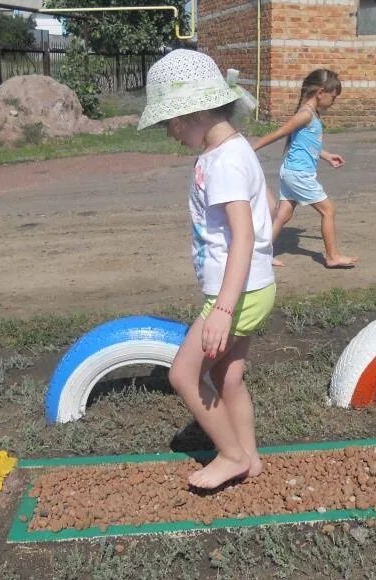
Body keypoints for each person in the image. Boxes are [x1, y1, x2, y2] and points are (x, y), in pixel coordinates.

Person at [138, 50, 276, 489]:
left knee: (183, 373)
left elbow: (243, 236)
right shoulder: (234, 152)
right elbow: (267, 209)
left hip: (236, 295)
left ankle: (231, 454)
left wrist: (222, 310)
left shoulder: (224, 162)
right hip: (250, 288)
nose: (170, 134)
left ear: (188, 114)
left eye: (169, 125)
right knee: (227, 376)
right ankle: (249, 457)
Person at [253, 69, 357, 268]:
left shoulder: (310, 114)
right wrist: (251, 149)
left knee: (283, 215)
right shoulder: (305, 115)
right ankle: (332, 256)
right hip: (299, 174)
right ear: (320, 93)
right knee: (328, 210)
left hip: (291, 171)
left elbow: (305, 144)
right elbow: (281, 132)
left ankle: (260, 255)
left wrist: (325, 155)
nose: (333, 102)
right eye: (333, 98)